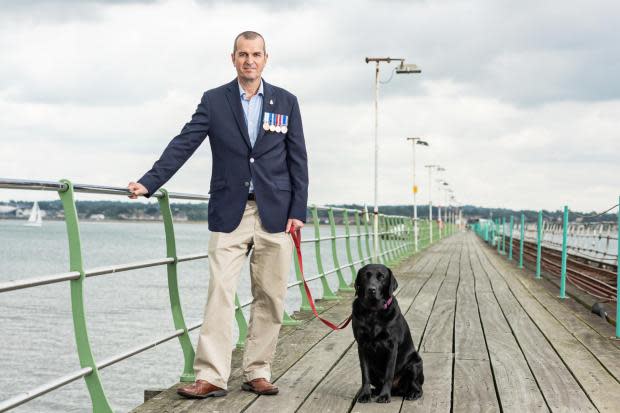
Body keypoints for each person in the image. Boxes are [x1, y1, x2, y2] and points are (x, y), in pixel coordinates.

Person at [127, 30, 308, 398]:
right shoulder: (214, 101)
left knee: (271, 295)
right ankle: (211, 375)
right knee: (220, 293)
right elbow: (184, 143)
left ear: (265, 58)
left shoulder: (286, 102)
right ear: (233, 58)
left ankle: (258, 370)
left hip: (276, 212)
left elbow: (297, 159)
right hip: (231, 212)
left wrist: (298, 211)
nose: (249, 61)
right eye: (243, 54)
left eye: (256, 54)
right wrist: (150, 182)